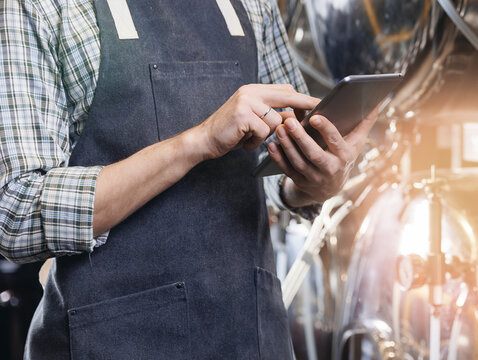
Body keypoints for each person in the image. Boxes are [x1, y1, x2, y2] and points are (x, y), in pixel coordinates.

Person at [0, 0, 373, 358]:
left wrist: (312, 184)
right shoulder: (43, 5)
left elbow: (276, 165)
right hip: (113, 342)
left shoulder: (253, 3)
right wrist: (199, 141)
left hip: (253, 337)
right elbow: (16, 214)